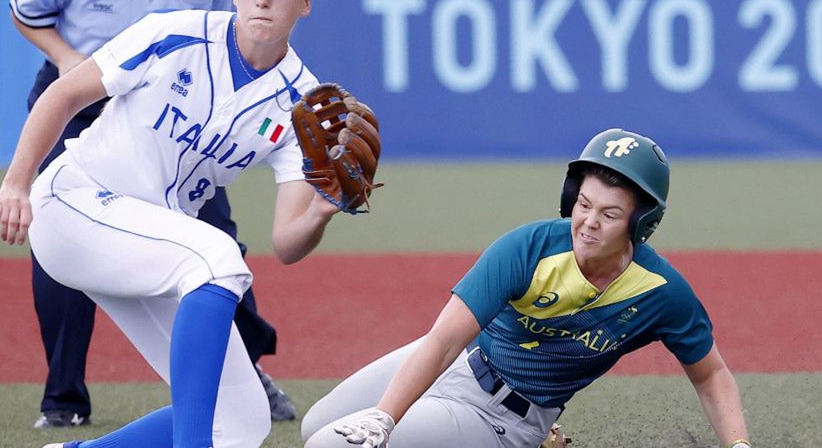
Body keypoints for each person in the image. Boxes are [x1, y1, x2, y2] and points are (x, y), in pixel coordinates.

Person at [0, 0, 345, 448]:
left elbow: (287, 244)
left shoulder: (303, 106)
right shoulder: (174, 33)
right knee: (218, 256)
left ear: (306, 2)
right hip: (74, 204)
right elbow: (65, 93)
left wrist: (322, 209)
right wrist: (16, 183)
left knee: (243, 422)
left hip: (149, 245)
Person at [8, 0, 296, 429]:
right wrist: (68, 64)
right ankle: (64, 397)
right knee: (61, 240)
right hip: (80, 93)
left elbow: (228, 38)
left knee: (219, 237)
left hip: (168, 106)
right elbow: (27, 12)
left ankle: (247, 369)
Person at [301, 128, 752, 448]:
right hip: (457, 361)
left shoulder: (660, 292)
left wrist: (738, 444)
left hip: (502, 419)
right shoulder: (529, 247)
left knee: (328, 446)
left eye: (610, 215)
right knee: (315, 425)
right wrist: (385, 417)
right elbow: (442, 343)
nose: (589, 224)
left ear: (641, 223)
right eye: (584, 204)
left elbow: (711, 373)